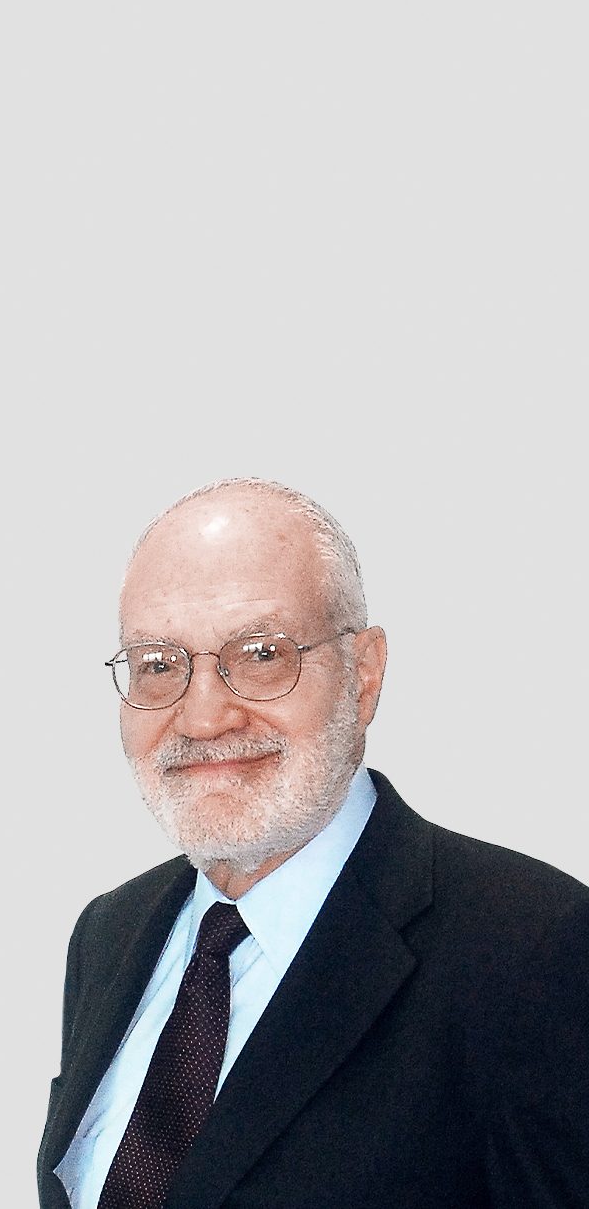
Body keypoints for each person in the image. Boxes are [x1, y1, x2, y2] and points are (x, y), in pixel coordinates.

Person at [38, 477, 589, 1209]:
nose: (203, 717)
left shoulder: (534, 950)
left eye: (261, 654)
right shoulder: (110, 934)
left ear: (364, 675)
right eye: (159, 665)